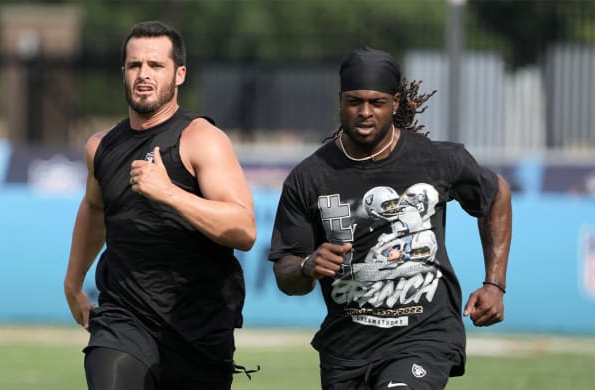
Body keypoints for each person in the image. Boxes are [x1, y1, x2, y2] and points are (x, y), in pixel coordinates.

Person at [268, 46, 512, 390]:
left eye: (376, 102)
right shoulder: (309, 178)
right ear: (340, 101)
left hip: (424, 336)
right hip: (346, 350)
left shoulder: (436, 159)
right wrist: (308, 265)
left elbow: (497, 194)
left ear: (395, 103)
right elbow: (285, 274)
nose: (365, 112)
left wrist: (494, 283)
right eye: (354, 102)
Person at [63, 21, 257, 390]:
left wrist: (168, 192)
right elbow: (94, 209)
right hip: (124, 318)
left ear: (179, 74)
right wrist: (73, 283)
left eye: (156, 65)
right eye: (135, 65)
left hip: (198, 327)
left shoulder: (202, 139)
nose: (143, 75)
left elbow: (244, 229)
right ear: (123, 71)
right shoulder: (100, 147)